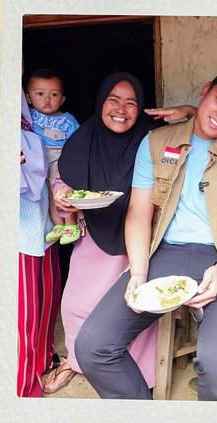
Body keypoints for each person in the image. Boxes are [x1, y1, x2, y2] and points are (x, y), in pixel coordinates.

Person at [74, 66, 217, 400]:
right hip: (164, 254)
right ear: (205, 90)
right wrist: (138, 272)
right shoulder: (156, 142)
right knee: (93, 345)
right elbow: (138, 212)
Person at [41, 71, 195, 395]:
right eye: (114, 100)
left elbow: (200, 136)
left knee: (131, 308)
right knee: (74, 305)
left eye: (131, 102)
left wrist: (192, 111)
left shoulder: (154, 138)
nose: (121, 109)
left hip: (140, 243)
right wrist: (61, 193)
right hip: (94, 235)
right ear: (101, 103)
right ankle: (77, 360)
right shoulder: (84, 138)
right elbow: (63, 182)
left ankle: (135, 376)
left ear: (141, 109)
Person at [18, 89, 62, 397]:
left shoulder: (32, 121)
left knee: (47, 295)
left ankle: (43, 359)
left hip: (43, 217)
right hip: (17, 224)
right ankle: (23, 386)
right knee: (24, 310)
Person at [24, 69, 81, 245]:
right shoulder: (28, 117)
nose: (47, 100)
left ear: (62, 99)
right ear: (27, 98)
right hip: (36, 160)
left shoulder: (67, 120)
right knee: (48, 193)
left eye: (54, 94)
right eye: (40, 94)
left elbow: (78, 142)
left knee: (62, 190)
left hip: (59, 158)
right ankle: (58, 225)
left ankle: (71, 224)